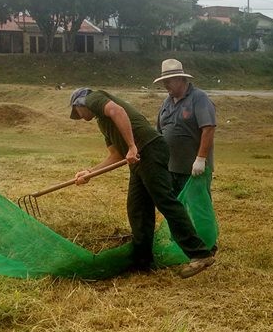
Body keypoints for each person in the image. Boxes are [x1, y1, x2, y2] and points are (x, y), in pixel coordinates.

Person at [69, 87, 215, 278]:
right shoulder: (103, 123)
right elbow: (116, 155)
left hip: (149, 149)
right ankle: (143, 261)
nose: (79, 116)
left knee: (164, 200)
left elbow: (117, 111)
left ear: (78, 103)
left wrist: (131, 145)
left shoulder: (92, 98)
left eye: (76, 112)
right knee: (137, 207)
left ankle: (200, 253)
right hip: (140, 156)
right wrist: (90, 173)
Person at [152, 58, 216, 197]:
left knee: (196, 209)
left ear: (180, 79)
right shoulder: (166, 102)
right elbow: (159, 132)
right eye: (164, 82)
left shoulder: (198, 98)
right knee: (176, 210)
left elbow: (208, 128)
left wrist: (200, 159)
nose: (165, 85)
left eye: (168, 81)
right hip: (170, 169)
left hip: (194, 170)